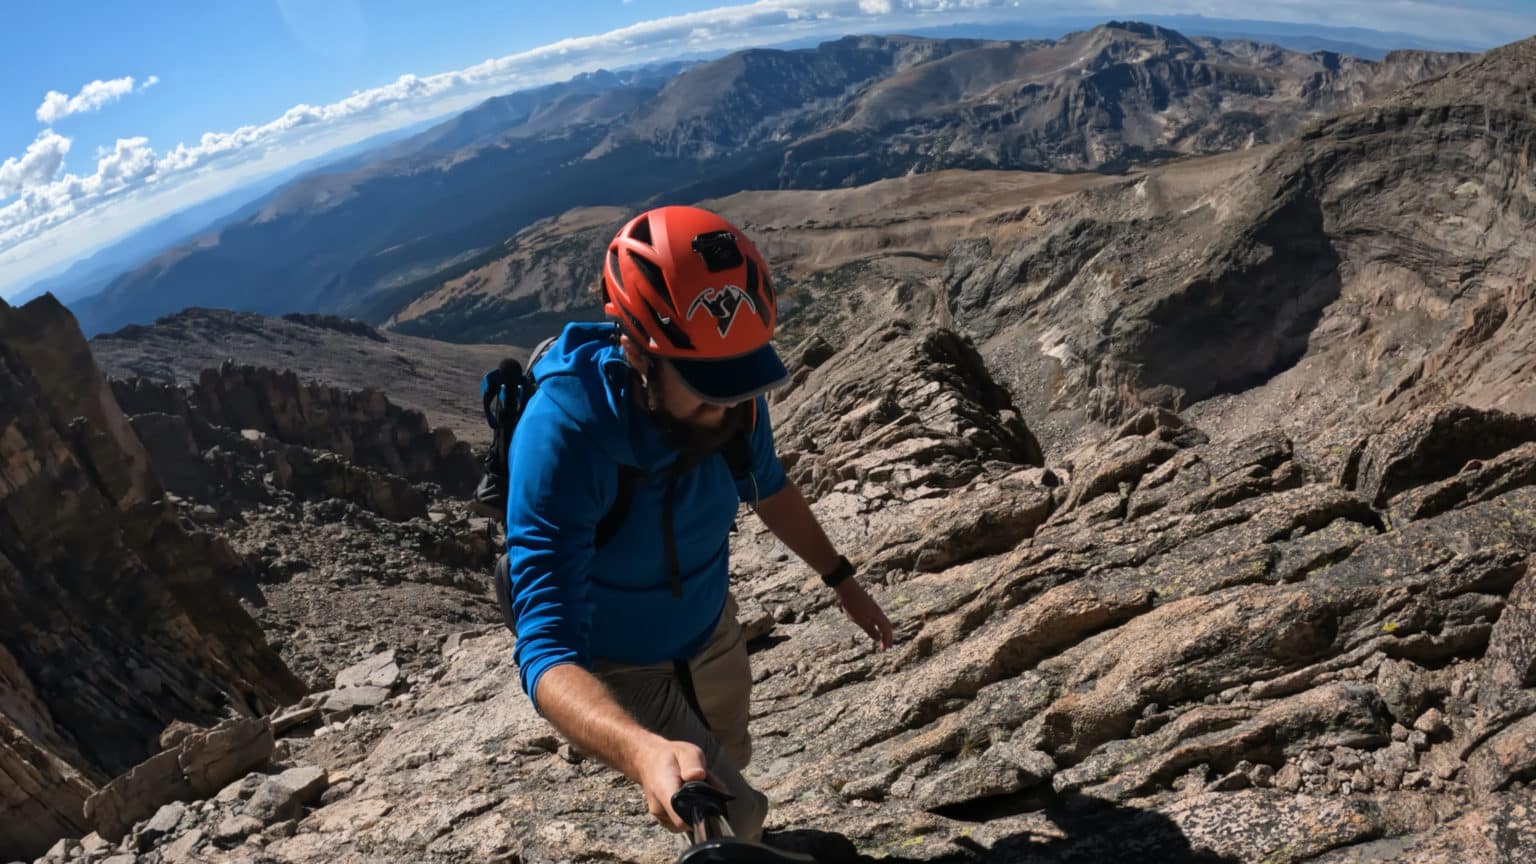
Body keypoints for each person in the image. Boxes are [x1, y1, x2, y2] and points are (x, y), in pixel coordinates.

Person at [501, 205, 895, 843]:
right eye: (708, 383)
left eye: (741, 377)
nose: (732, 401)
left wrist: (841, 579)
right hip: (623, 661)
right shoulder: (563, 437)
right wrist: (640, 751)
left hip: (712, 630)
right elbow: (546, 650)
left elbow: (768, 486)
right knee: (738, 816)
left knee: (729, 759)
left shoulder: (731, 395)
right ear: (636, 351)